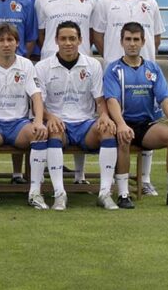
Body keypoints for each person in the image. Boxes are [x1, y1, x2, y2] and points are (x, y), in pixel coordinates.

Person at [91, 0, 165, 195]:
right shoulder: (105, 2)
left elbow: (155, 37)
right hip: (116, 75)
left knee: (147, 121)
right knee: (115, 124)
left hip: (144, 75)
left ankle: (144, 178)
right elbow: (98, 36)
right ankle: (115, 176)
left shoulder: (150, 2)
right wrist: (115, 59)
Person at [34, 21, 119, 211]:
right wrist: (50, 117)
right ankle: (59, 194)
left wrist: (104, 115)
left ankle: (105, 193)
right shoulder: (42, 67)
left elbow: (99, 100)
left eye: (72, 38)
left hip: (85, 124)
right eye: (63, 39)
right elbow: (38, 104)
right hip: (59, 124)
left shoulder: (93, 65)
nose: (68, 43)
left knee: (107, 130)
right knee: (54, 132)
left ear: (80, 40)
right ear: (56, 41)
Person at [103, 23, 168, 209]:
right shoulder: (113, 69)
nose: (132, 44)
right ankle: (123, 194)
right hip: (123, 123)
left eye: (135, 39)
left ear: (143, 42)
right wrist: (121, 124)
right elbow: (112, 101)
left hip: (147, 126)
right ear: (121, 42)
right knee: (123, 138)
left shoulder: (153, 69)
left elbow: (164, 98)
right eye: (128, 39)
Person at [0, 24, 47, 210]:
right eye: (2, 40)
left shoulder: (26, 65)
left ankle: (35, 192)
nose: (6, 44)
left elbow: (36, 95)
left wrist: (38, 121)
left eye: (10, 40)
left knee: (39, 133)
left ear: (17, 43)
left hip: (18, 124)